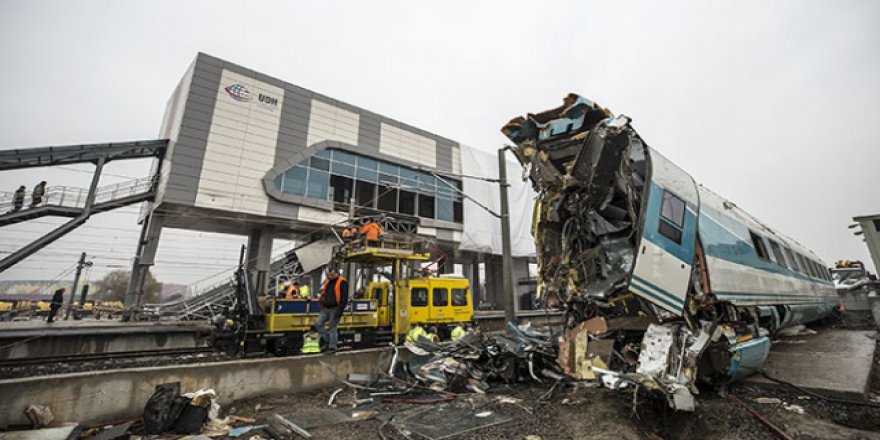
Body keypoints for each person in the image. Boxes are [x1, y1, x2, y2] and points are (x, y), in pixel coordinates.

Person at [316, 267, 348, 353]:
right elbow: (323, 292)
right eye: (330, 275)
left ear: (337, 273)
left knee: (332, 328)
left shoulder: (342, 282)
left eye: (333, 274)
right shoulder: (327, 281)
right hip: (326, 308)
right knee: (318, 323)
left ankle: (332, 347)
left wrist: (340, 309)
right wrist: (321, 300)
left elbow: (344, 297)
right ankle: (328, 340)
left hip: (335, 308)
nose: (331, 276)